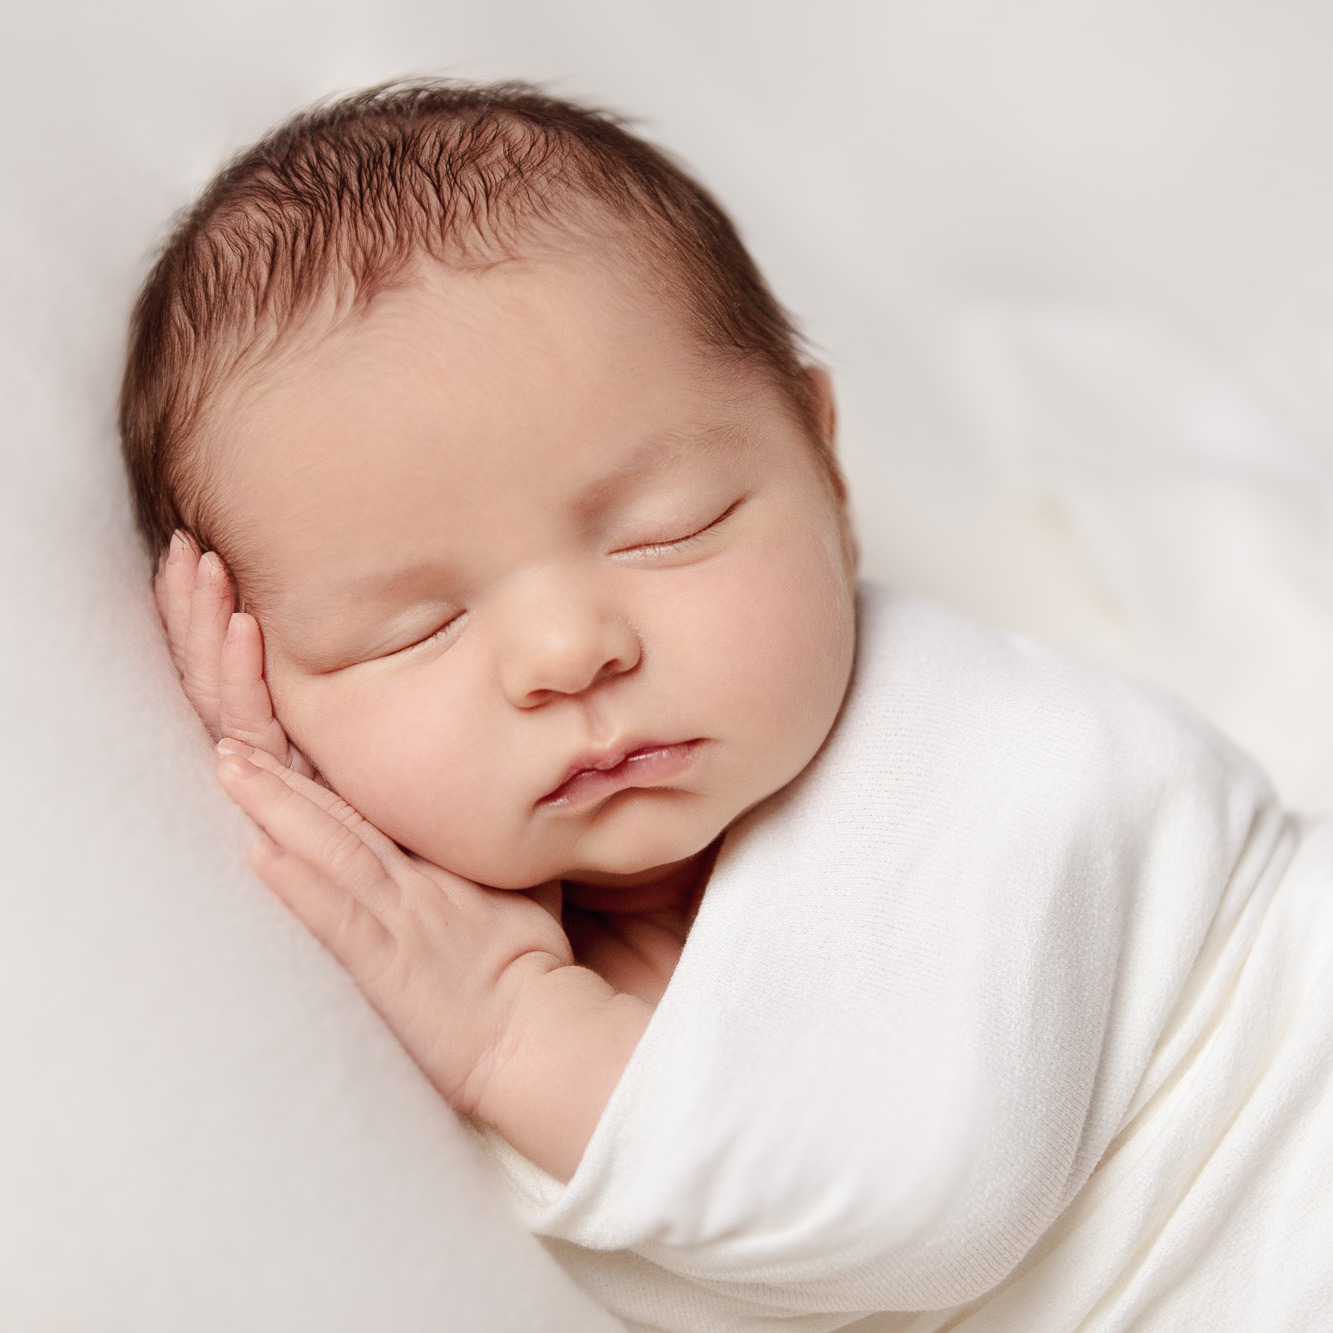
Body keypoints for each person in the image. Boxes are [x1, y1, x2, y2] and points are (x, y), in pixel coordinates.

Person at [122, 81, 1333, 1331]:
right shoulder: (488, 941)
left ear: (824, 463)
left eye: (668, 531)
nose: (566, 650)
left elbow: (927, 1197)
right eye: (411, 631)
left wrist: (519, 1037)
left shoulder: (991, 751)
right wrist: (297, 796)